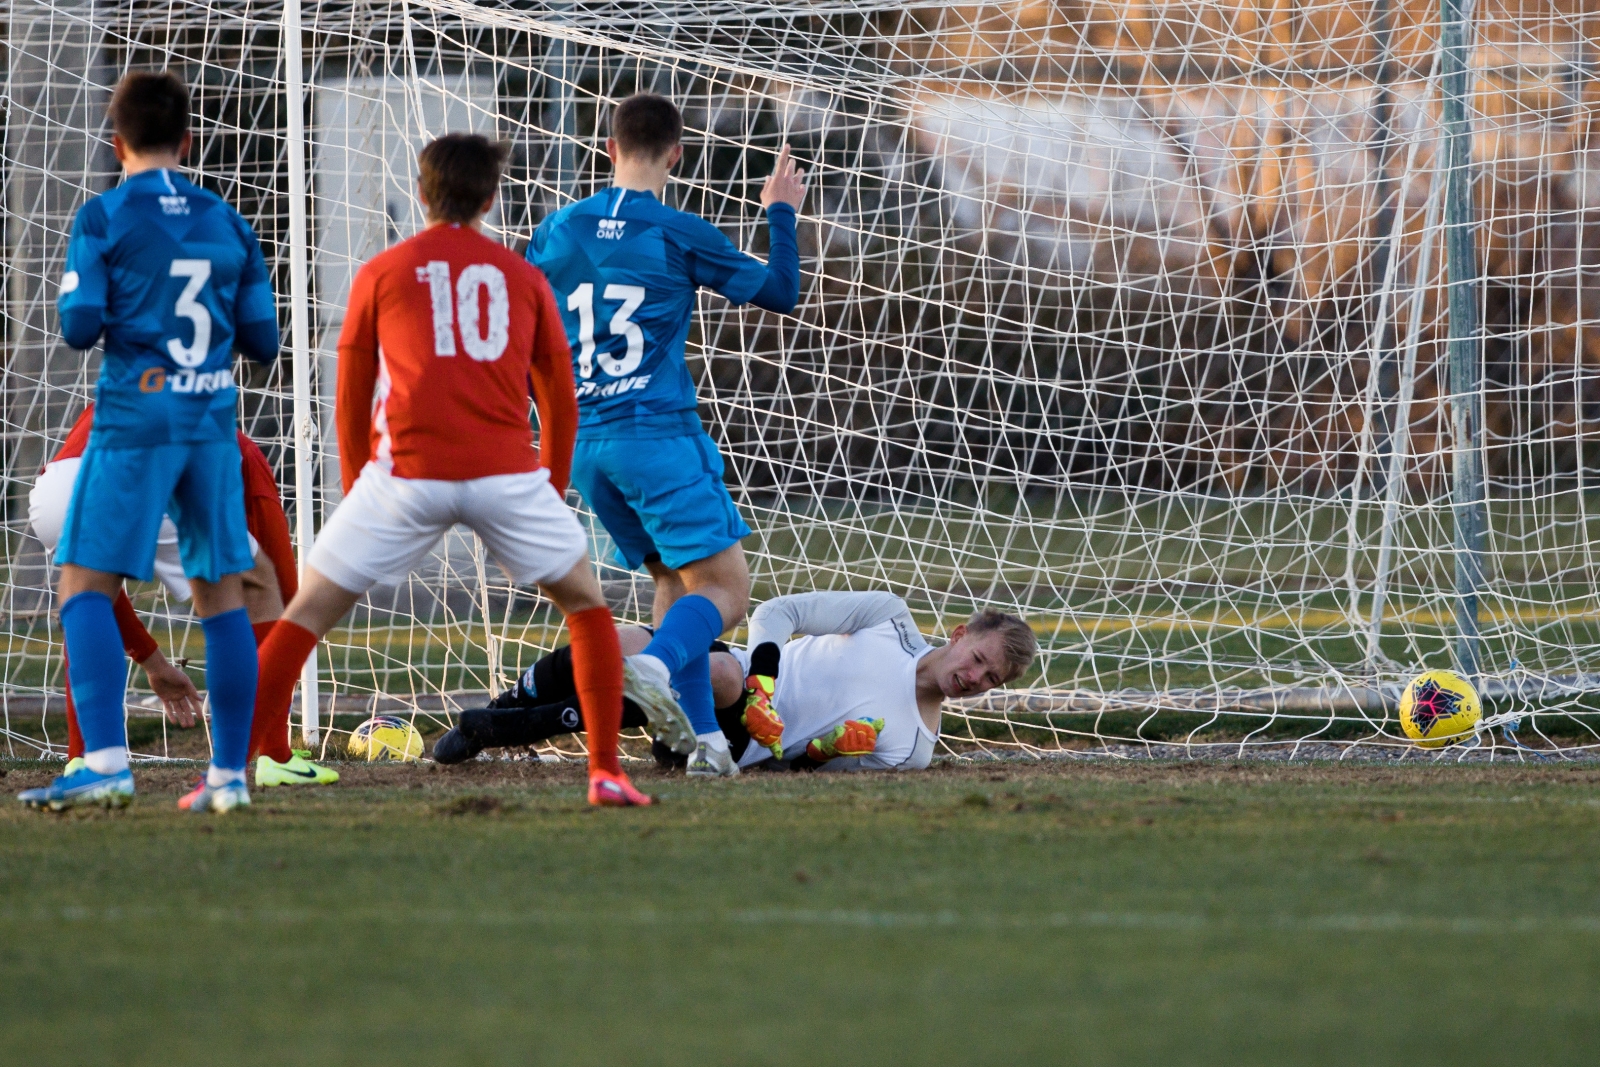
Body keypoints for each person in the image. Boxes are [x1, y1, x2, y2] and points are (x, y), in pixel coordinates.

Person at [248, 133, 684, 808]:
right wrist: (550, 479)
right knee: (587, 609)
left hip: (406, 476)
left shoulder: (383, 271)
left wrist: (357, 482)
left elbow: (351, 392)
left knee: (303, 613)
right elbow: (559, 397)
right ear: (491, 198)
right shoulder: (525, 276)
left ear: (421, 194)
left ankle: (226, 771)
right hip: (506, 475)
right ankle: (604, 772)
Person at [18, 71, 280, 813]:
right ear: (186, 139)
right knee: (220, 592)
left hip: (136, 419)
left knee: (81, 584)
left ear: (116, 141)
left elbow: (76, 327)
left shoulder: (104, 216)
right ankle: (229, 775)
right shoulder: (228, 222)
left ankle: (103, 760)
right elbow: (263, 339)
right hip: (209, 424)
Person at [525, 92, 806, 777]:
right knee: (728, 590)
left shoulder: (557, 230)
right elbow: (780, 291)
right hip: (654, 435)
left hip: (585, 444)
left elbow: (523, 331)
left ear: (608, 148)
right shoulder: (679, 230)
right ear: (677, 154)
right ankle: (649, 664)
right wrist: (781, 209)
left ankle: (702, 740)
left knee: (673, 582)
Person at [28, 402, 339, 787]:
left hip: (52, 491)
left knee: (87, 599)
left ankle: (86, 760)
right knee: (259, 587)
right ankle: (271, 757)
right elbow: (281, 581)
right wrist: (293, 640)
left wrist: (153, 662)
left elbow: (105, 605)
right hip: (134, 478)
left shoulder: (115, 395)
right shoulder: (238, 447)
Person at [433, 592, 1039, 772]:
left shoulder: (915, 748)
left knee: (718, 672)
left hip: (730, 747)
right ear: (961, 632)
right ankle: (505, 708)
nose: (974, 678)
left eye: (990, 680)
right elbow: (777, 612)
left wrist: (824, 751)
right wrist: (766, 685)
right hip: (741, 669)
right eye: (980, 657)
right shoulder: (888, 618)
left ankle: (496, 729)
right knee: (617, 641)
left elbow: (792, 770)